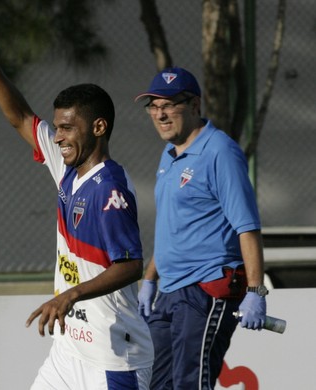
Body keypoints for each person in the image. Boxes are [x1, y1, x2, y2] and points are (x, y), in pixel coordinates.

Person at [0, 8, 153, 390]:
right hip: (68, 352)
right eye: (56, 128)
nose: (57, 136)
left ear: (98, 127)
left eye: (66, 128)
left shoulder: (109, 188)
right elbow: (20, 117)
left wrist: (71, 295)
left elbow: (129, 266)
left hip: (112, 358)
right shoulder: (65, 166)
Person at [134, 67, 268, 390]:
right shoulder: (169, 154)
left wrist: (255, 291)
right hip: (168, 292)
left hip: (206, 290)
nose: (160, 114)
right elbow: (173, 228)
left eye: (169, 105)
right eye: (153, 105)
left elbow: (247, 228)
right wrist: (150, 278)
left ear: (194, 105)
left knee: (191, 384)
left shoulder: (220, 152)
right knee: (155, 383)